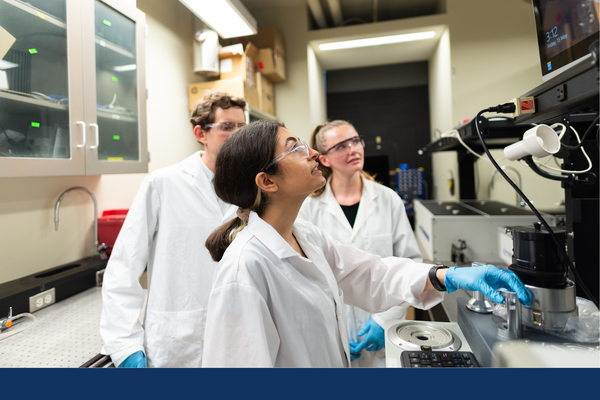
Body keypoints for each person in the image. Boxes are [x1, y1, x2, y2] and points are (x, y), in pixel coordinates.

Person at [201, 120, 532, 367]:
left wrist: (445, 276)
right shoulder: (244, 269)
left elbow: (370, 273)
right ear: (267, 181)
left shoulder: (305, 235)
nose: (313, 153)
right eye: (296, 148)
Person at [99, 90, 247, 368]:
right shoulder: (163, 184)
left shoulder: (256, 187)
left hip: (241, 334)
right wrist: (124, 343)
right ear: (200, 134)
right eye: (227, 127)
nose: (238, 134)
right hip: (178, 341)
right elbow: (123, 267)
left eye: (242, 127)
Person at [298, 120, 421, 367]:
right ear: (324, 159)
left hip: (383, 331)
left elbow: (411, 264)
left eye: (355, 141)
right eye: (341, 146)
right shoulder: (307, 208)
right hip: (329, 330)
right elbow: (303, 276)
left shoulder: (388, 200)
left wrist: (384, 320)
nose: (353, 149)